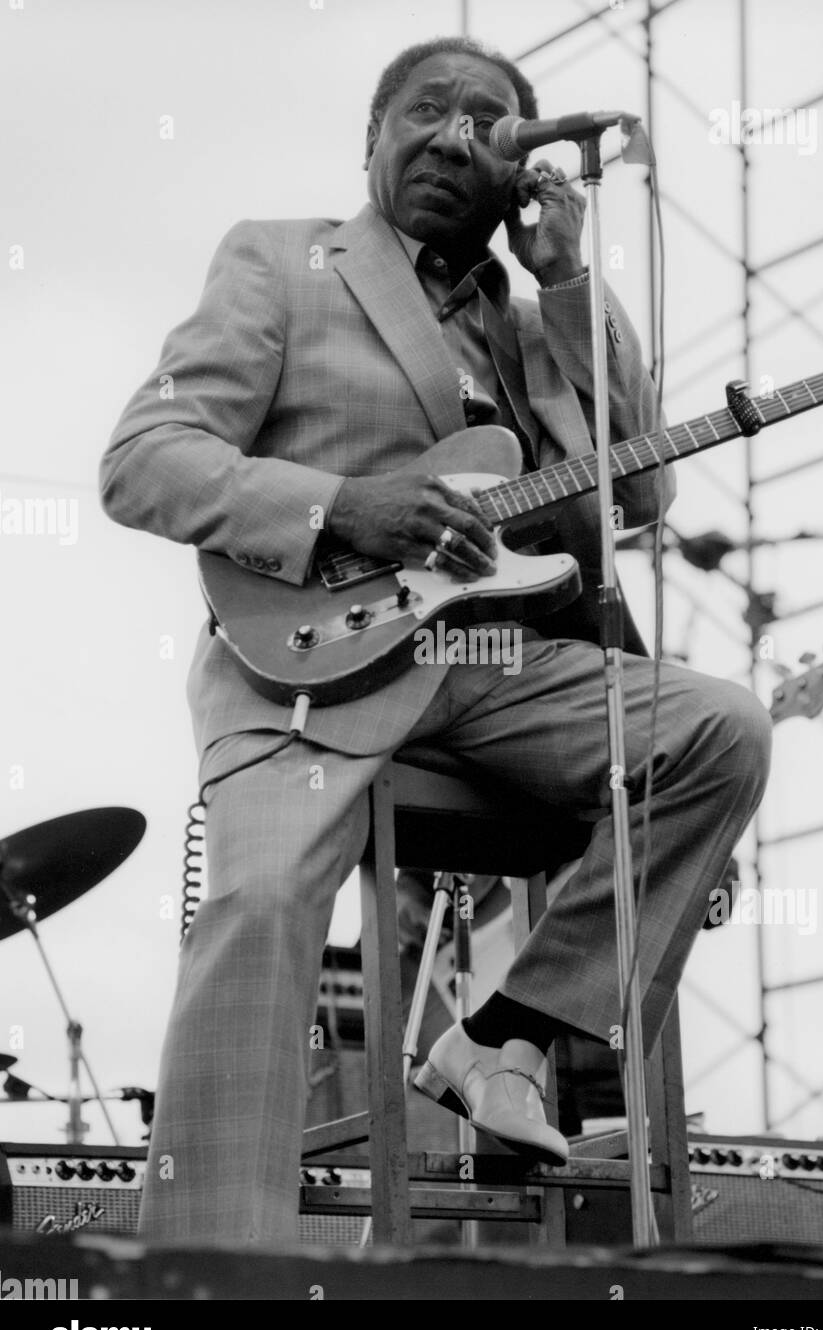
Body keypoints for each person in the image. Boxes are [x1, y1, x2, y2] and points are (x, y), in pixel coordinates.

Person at [99, 35, 772, 1242]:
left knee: (721, 728)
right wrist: (342, 507)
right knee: (255, 904)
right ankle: (210, 1255)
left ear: (518, 165)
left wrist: (565, 285)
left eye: (484, 120)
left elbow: (642, 499)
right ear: (372, 141)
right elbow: (145, 463)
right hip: (310, 666)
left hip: (496, 667)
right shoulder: (279, 262)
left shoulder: (535, 317)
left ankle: (509, 1032)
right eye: (425, 112)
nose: (453, 135)